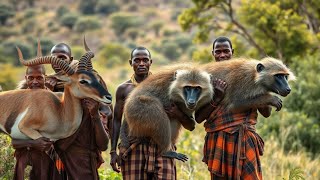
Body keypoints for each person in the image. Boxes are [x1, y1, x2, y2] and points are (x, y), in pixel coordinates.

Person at [195, 36, 271, 179]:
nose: (222, 55)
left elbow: (266, 113)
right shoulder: (206, 79)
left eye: (226, 51)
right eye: (218, 51)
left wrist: (260, 89)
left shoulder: (247, 74)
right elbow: (198, 118)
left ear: (232, 52)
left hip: (245, 139)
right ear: (213, 54)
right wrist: (217, 97)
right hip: (218, 140)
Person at [48, 43, 111, 179]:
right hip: (56, 155)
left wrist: (94, 113)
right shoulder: (48, 82)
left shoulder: (89, 79)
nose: (57, 61)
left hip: (82, 157)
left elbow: (106, 111)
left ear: (70, 59)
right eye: (54, 58)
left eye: (62, 57)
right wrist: (48, 91)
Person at [12, 65, 63, 180]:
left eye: (39, 78)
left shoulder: (55, 100)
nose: (35, 82)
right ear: (26, 78)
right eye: (31, 78)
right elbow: (15, 142)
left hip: (50, 162)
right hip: (25, 162)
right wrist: (33, 143)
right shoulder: (18, 102)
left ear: (45, 78)